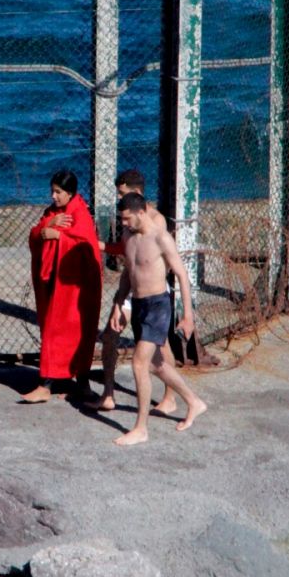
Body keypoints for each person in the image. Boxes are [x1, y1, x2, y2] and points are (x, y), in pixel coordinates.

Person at [109, 192, 206, 445]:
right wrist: (118, 304)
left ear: (141, 212)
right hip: (139, 305)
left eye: (127, 218)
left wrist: (187, 316)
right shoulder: (128, 238)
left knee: (139, 364)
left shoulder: (161, 237)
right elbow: (127, 276)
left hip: (158, 306)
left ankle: (141, 428)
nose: (124, 223)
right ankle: (194, 402)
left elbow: (182, 276)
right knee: (156, 365)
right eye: (122, 220)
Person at [95, 169, 176, 414]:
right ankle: (108, 393)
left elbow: (158, 260)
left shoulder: (155, 220)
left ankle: (170, 397)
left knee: (161, 348)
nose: (118, 198)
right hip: (129, 286)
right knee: (110, 336)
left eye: (122, 192)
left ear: (136, 192)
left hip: (151, 292)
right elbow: (128, 252)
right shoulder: (128, 218)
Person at [21, 170, 103, 403]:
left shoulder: (80, 213)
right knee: (52, 331)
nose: (53, 196)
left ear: (70, 193)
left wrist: (57, 236)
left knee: (78, 334)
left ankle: (79, 381)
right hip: (53, 283)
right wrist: (48, 226)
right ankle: (47, 383)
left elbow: (86, 248)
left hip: (75, 287)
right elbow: (36, 235)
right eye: (52, 191)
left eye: (58, 192)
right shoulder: (52, 213)